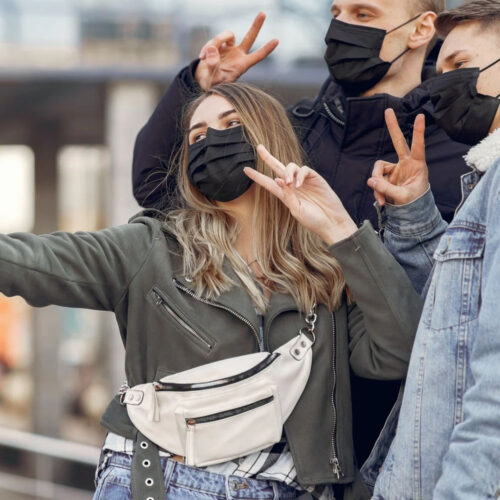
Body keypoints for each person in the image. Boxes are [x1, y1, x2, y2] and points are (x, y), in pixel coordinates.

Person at [1, 83, 421, 499]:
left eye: (232, 125)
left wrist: (340, 231)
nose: (212, 142)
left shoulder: (328, 271)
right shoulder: (153, 249)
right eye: (197, 136)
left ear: (270, 138)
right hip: (164, 481)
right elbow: (29, 261)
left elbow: (399, 353)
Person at [131, 0, 472, 464]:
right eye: (337, 13)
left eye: (363, 15)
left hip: (425, 436)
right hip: (304, 447)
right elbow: (158, 189)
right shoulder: (294, 135)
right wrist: (199, 89)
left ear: (420, 29)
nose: (341, 29)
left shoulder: (463, 147)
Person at [364, 1, 500, 498]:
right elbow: (456, 318)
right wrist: (416, 211)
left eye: (460, 66)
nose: (441, 84)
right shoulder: (485, 184)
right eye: (438, 69)